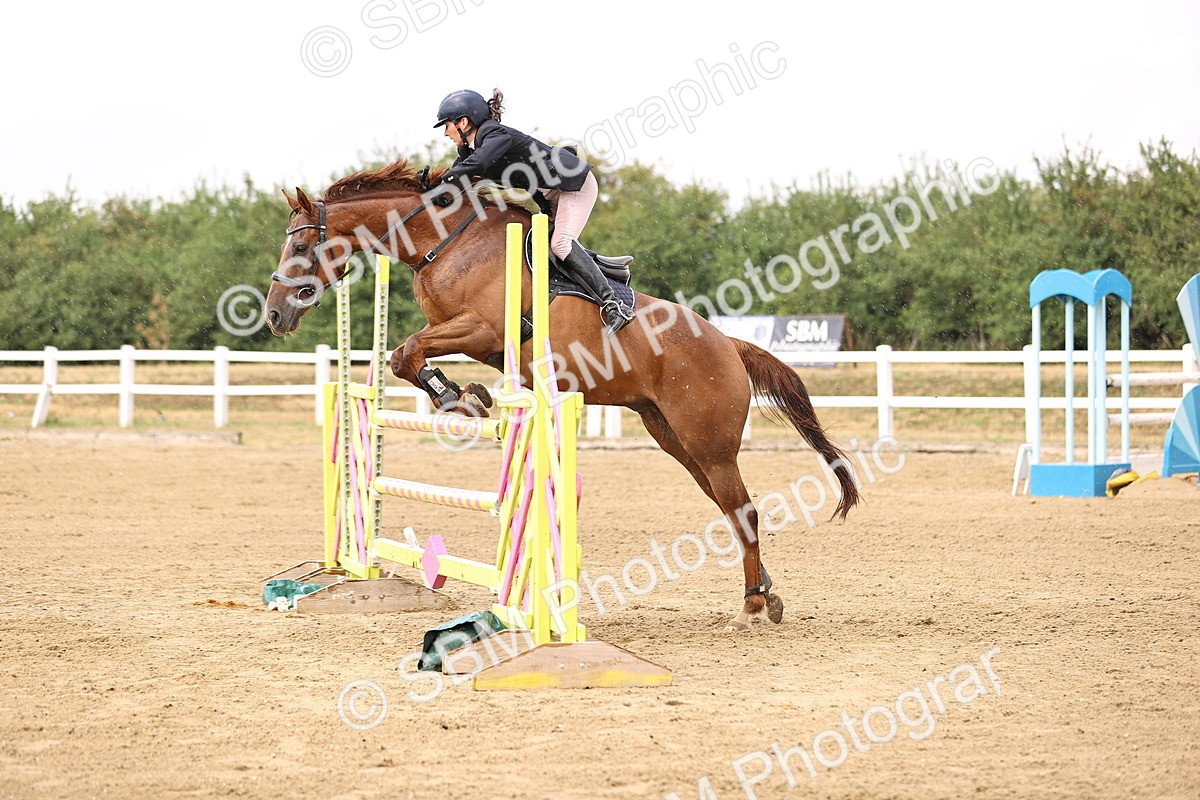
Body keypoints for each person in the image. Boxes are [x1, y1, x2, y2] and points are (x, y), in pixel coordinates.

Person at [432, 89, 634, 337]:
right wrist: (432, 188)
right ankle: (608, 270)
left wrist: (446, 179)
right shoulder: (470, 151)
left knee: (561, 244)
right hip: (550, 194)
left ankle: (614, 304)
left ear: (463, 122)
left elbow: (478, 165)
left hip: (573, 184)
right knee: (543, 245)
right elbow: (459, 176)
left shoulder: (493, 134)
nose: (445, 133)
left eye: (447, 125)